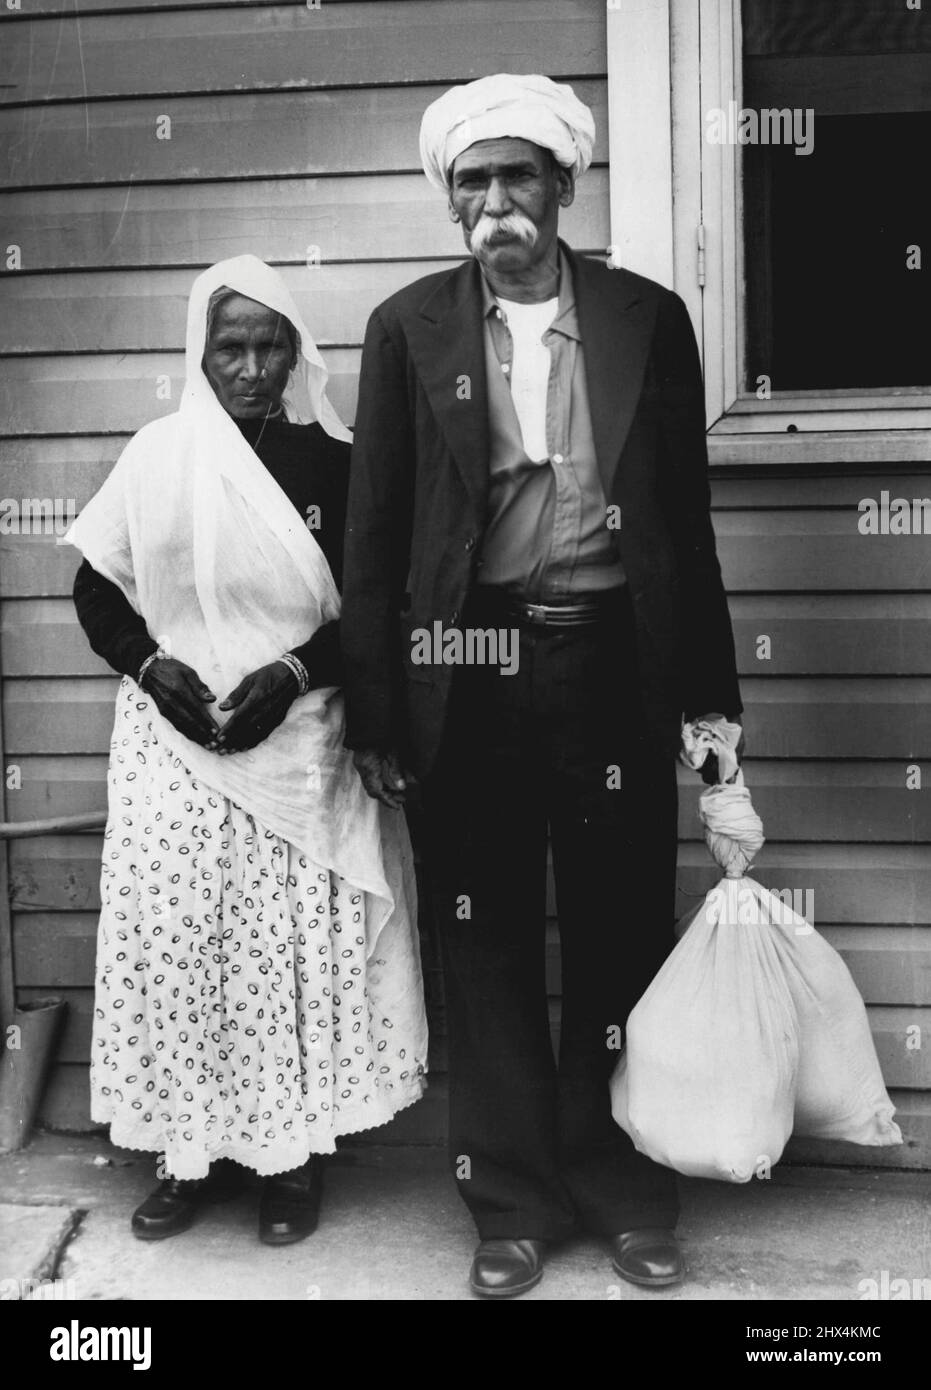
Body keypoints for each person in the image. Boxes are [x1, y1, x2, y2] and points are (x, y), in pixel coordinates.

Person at [340, 74, 743, 1297]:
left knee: (622, 927)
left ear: (566, 186)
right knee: (487, 938)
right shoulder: (408, 328)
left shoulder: (643, 318)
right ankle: (508, 1202)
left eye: (520, 177)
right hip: (470, 665)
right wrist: (376, 712)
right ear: (449, 198)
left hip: (613, 657)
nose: (496, 202)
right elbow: (376, 535)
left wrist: (709, 706)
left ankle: (625, 1188)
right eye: (473, 182)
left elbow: (683, 522)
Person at [67, 255, 427, 1248]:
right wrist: (149, 664)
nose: (253, 366)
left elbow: (375, 606)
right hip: (174, 747)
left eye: (273, 345)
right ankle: (191, 1156)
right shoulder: (157, 455)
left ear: (297, 352)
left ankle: (295, 1159)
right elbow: (98, 590)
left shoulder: (334, 464)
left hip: (295, 742)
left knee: (282, 956)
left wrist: (294, 675)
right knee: (188, 951)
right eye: (232, 346)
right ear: (202, 351)